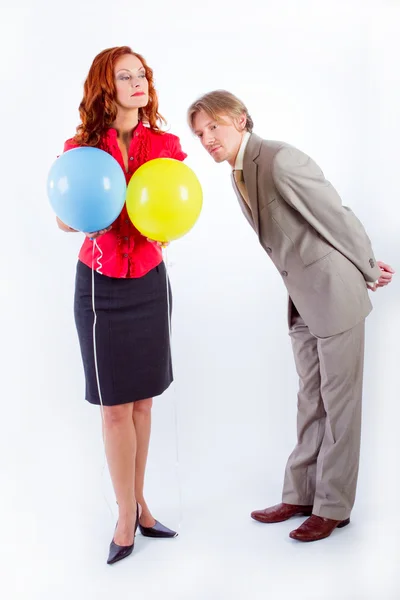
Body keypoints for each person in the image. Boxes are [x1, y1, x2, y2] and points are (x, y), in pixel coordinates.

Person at [187, 90, 395, 542]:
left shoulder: (280, 160)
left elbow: (334, 215)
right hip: (301, 300)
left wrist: (366, 264)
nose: (207, 139)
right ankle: (300, 494)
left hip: (334, 294)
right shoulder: (238, 175)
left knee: (340, 405)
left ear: (240, 119)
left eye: (213, 127)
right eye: (200, 133)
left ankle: (334, 507)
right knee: (310, 399)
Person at [57, 46, 186, 564]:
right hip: (101, 287)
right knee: (114, 409)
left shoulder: (166, 144)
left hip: (150, 283)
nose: (138, 83)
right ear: (105, 88)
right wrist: (79, 215)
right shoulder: (81, 148)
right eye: (125, 76)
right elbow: (65, 218)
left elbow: (174, 207)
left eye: (142, 75)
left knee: (143, 402)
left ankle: (140, 505)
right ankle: (126, 515)